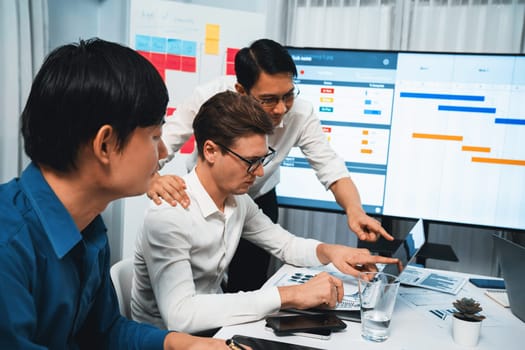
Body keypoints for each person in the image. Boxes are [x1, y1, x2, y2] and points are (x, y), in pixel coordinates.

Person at [0, 38, 239, 350]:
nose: (164, 150)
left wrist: (186, 345)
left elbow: (104, 332)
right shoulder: (8, 247)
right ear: (105, 145)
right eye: (155, 136)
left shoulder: (88, 228)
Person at [131, 91, 401, 334]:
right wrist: (289, 295)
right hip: (167, 341)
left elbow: (285, 245)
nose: (259, 172)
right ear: (210, 151)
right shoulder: (170, 213)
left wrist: (331, 252)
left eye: (263, 159)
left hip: (213, 329)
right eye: (251, 162)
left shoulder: (237, 202)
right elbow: (181, 316)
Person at [147, 38, 394, 293]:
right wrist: (151, 178)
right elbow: (161, 142)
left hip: (255, 199)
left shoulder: (299, 113)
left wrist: (354, 210)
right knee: (200, 284)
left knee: (250, 281)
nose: (280, 109)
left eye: (288, 95)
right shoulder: (209, 98)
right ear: (241, 91)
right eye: (268, 99)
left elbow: (329, 166)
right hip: (206, 197)